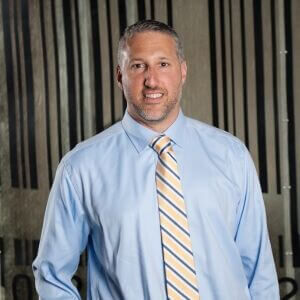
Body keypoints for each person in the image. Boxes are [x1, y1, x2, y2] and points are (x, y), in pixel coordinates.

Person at [33, 20, 279, 299]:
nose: (151, 80)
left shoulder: (232, 156)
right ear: (119, 75)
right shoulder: (80, 168)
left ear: (183, 71)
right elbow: (52, 275)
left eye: (163, 64)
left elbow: (259, 273)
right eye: (138, 66)